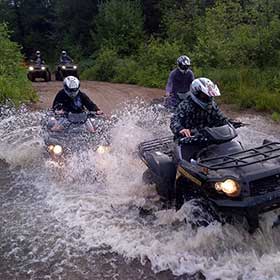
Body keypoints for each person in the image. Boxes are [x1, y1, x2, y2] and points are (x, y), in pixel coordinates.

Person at [170, 77, 229, 161]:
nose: (207, 98)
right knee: (185, 165)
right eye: (204, 95)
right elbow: (174, 121)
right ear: (196, 93)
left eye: (209, 95)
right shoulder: (186, 105)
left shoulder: (212, 105)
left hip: (208, 137)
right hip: (188, 140)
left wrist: (229, 123)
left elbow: (221, 118)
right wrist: (181, 129)